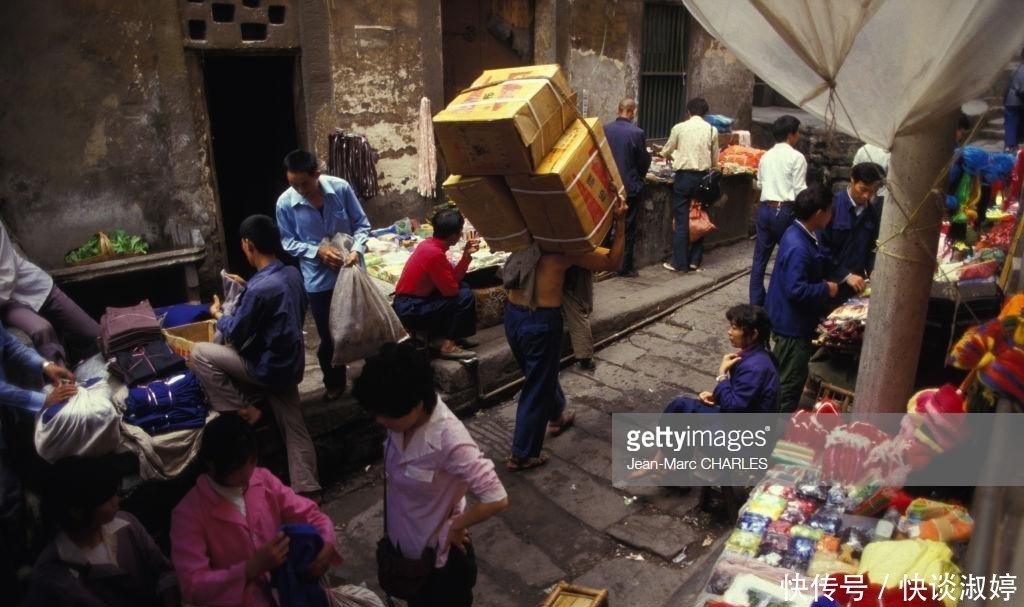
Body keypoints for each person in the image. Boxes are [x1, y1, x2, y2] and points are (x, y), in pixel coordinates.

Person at [352, 342, 508, 607]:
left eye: (386, 414)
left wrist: (454, 526)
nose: (380, 421)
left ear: (416, 404)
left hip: (440, 567)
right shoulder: (398, 421)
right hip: (405, 555)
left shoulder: (450, 439)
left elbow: (496, 498)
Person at [190, 215, 321, 498]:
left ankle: (243, 408)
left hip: (265, 367)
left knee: (202, 352)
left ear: (248, 244)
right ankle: (309, 490)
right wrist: (246, 287)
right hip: (290, 366)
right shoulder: (292, 274)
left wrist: (219, 313)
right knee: (294, 426)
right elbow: (273, 304)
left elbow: (236, 332)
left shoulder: (260, 290)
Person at [502, 199, 627, 470]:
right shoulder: (563, 249)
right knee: (537, 385)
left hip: (512, 316)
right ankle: (521, 454)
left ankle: (557, 414)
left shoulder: (522, 237)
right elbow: (613, 261)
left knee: (540, 375)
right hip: (539, 323)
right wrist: (619, 222)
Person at [171, 415, 342, 607]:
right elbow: (192, 586)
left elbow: (310, 515)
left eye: (252, 462)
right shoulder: (188, 514)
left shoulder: (263, 480)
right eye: (237, 469)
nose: (247, 474)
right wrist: (249, 569)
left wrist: (327, 542)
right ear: (211, 465)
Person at [276, 149, 371, 401]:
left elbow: (362, 225)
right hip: (318, 282)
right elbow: (287, 242)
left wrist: (356, 250)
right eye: (293, 184)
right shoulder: (285, 203)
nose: (300, 189)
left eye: (304, 183)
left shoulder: (340, 189)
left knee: (364, 327)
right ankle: (335, 382)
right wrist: (317, 251)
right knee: (330, 335)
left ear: (317, 174)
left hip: (351, 273)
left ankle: (374, 377)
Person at [26, 456, 180, 607]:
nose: (117, 501)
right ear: (77, 512)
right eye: (107, 499)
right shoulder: (50, 580)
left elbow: (164, 572)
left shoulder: (127, 525)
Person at [765, 185, 864, 413]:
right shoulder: (799, 246)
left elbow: (823, 259)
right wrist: (825, 288)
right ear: (819, 213)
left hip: (792, 320)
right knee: (788, 384)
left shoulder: (803, 233)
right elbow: (796, 289)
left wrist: (846, 276)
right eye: (830, 211)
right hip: (792, 326)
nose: (832, 216)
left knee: (786, 379)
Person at [0, 327, 77, 598]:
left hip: (8, 415)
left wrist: (45, 365)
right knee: (6, 498)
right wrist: (41, 400)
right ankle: (17, 567)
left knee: (20, 484)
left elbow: (8, 343)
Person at [0, 221, 99, 366]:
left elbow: (7, 275)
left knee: (94, 333)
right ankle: (64, 381)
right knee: (42, 329)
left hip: (34, 287)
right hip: (7, 305)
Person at [393, 208, 478, 360]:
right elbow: (451, 291)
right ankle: (449, 345)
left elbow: (452, 279)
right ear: (454, 236)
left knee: (463, 287)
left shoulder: (430, 245)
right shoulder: (434, 254)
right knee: (464, 296)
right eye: (460, 232)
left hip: (412, 301)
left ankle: (451, 335)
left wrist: (466, 256)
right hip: (411, 308)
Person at [663, 304, 779, 414]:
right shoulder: (759, 355)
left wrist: (722, 376)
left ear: (753, 334)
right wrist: (716, 397)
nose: (729, 332)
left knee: (679, 406)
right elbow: (743, 396)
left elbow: (733, 408)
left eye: (734, 328)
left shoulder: (754, 367)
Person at [750, 115, 807, 306]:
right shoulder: (796, 157)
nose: (798, 135)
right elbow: (799, 189)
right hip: (785, 210)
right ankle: (777, 300)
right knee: (786, 257)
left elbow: (759, 183)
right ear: (791, 134)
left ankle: (756, 302)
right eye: (797, 132)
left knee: (760, 260)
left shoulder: (766, 156)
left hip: (765, 208)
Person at [659, 97, 719, 273]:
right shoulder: (711, 130)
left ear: (689, 112)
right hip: (703, 180)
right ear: (705, 113)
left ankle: (680, 263)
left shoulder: (679, 128)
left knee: (682, 219)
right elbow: (715, 160)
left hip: (684, 178)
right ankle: (695, 260)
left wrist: (664, 153)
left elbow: (667, 150)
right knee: (699, 215)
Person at [604, 98, 652, 277]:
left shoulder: (606, 129)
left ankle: (602, 263)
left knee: (606, 226)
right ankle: (624, 266)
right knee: (628, 227)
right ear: (633, 112)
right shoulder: (637, 133)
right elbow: (643, 161)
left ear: (619, 110)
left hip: (608, 186)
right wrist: (640, 179)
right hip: (629, 186)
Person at [821, 162, 885, 289]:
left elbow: (872, 247)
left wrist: (872, 269)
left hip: (857, 283)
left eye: (872, 191)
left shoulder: (871, 213)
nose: (866, 196)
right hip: (831, 283)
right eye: (863, 189)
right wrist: (845, 275)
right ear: (852, 180)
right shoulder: (832, 207)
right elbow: (821, 248)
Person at [562, 267, 596, 371]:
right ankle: (585, 356)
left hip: (573, 272)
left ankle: (585, 357)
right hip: (577, 271)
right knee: (578, 308)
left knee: (576, 310)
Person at [1004, 48, 1024, 152]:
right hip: (1019, 101)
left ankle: (1009, 146)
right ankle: (1014, 146)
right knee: (1014, 123)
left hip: (1010, 100)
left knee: (1010, 123)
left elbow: (1009, 85)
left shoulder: (1016, 68)